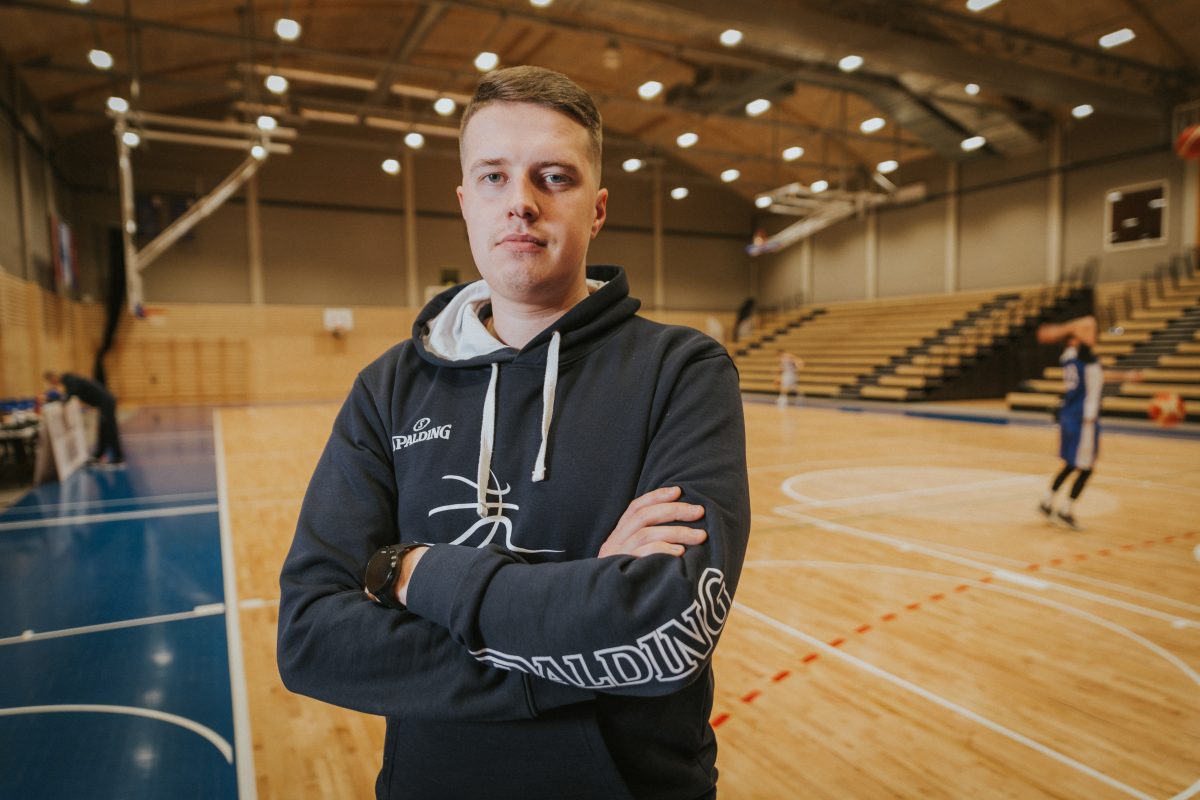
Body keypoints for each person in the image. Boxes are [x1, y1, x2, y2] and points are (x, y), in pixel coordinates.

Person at [277, 66, 750, 800]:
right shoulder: (388, 388)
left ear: (596, 209)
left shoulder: (682, 370)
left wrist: (417, 573)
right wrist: (586, 630)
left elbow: (670, 629)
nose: (521, 202)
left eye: (554, 177)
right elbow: (312, 638)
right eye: (493, 176)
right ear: (466, 202)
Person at [1035, 315, 1136, 529]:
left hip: (1073, 416)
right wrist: (1060, 330)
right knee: (1087, 468)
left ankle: (1047, 501)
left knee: (1072, 464)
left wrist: (1127, 376)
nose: (1092, 335)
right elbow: (1089, 322)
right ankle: (1065, 511)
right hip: (1083, 420)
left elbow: (1098, 375)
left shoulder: (1074, 357)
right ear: (1074, 339)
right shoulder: (1081, 353)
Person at [42, 370, 124, 467]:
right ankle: (99, 455)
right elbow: (67, 396)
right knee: (103, 429)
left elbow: (66, 398)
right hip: (105, 403)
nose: (53, 384)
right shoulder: (69, 380)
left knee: (109, 430)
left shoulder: (69, 380)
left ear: (53, 378)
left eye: (51, 382)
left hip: (106, 403)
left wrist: (49, 399)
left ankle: (118, 457)